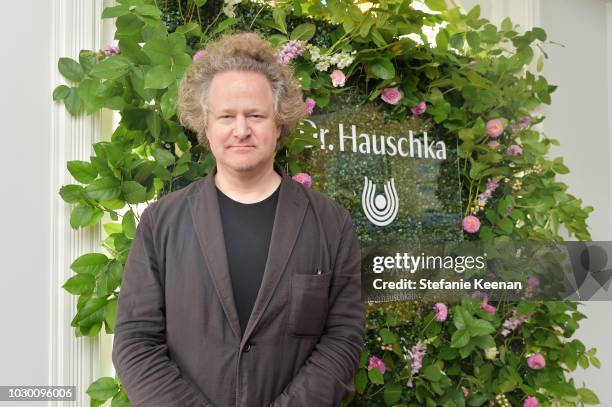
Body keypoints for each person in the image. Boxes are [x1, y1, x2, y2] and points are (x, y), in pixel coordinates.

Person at [112, 32, 365, 407]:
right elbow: (135, 342)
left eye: (256, 116)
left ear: (278, 124)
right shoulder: (161, 223)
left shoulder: (330, 224)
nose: (241, 130)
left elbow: (342, 340)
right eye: (227, 116)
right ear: (206, 127)